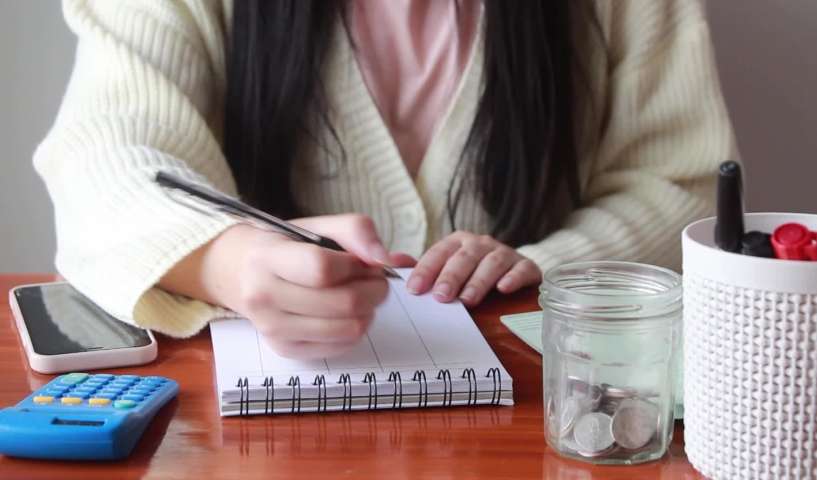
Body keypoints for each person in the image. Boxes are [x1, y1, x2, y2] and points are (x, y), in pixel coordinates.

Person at [35, 0, 738, 360]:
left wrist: (542, 268)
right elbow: (105, 155)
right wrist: (233, 258)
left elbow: (680, 189)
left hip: (534, 401)